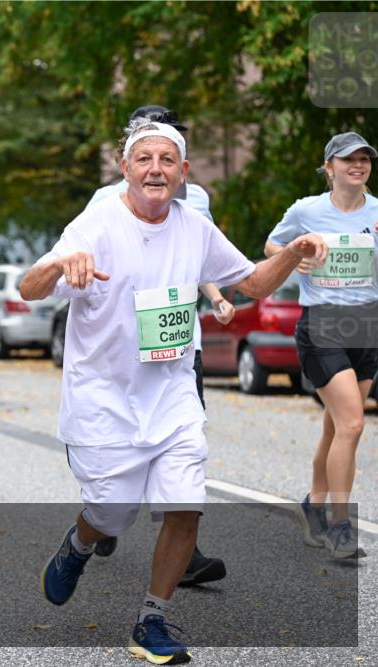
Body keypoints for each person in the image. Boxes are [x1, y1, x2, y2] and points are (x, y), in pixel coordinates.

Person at [19, 120, 327, 665]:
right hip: (103, 396)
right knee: (112, 512)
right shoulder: (97, 222)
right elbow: (29, 289)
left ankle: (151, 619)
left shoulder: (194, 228)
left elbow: (251, 283)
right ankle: (80, 544)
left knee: (185, 505)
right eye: (144, 159)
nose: (155, 169)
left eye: (167, 160)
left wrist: (294, 251)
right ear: (126, 169)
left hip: (171, 393)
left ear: (183, 172)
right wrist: (59, 266)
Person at [84, 105, 234, 586]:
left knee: (182, 443)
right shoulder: (107, 198)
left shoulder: (199, 199)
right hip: (119, 347)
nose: (157, 165)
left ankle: (181, 547)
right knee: (117, 453)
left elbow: (203, 255)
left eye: (170, 148)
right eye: (143, 145)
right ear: (127, 155)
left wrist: (216, 298)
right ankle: (104, 515)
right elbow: (82, 253)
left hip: (176, 343)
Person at [265, 131, 377, 559]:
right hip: (323, 324)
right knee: (351, 424)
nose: (359, 165)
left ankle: (313, 503)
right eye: (349, 159)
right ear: (329, 168)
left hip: (367, 323)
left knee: (336, 424)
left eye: (365, 159)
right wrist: (298, 252)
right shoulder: (306, 209)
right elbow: (272, 245)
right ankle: (340, 527)